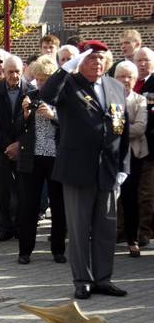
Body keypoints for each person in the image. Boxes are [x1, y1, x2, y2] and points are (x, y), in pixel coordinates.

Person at [40, 40, 130, 300]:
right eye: (92, 58)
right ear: (81, 61)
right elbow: (46, 96)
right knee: (79, 229)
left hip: (109, 170)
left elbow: (120, 128)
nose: (98, 62)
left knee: (106, 228)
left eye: (102, 58)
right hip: (77, 170)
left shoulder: (115, 86)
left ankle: (103, 279)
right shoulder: (69, 84)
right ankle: (82, 280)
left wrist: (123, 166)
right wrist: (66, 68)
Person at [17, 55, 67, 264]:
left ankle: (58, 250)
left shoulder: (63, 98)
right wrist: (25, 115)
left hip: (56, 158)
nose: (41, 83)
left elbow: (73, 126)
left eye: (45, 79)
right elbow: (15, 128)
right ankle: (25, 251)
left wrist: (53, 116)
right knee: (28, 205)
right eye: (38, 79)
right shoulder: (29, 95)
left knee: (58, 205)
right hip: (32, 158)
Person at [0, 55, 35, 241]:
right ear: (4, 71)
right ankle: (5, 228)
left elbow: (33, 124)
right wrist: (6, 145)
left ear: (23, 70)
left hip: (23, 147)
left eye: (17, 71)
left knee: (23, 190)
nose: (14, 75)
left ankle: (20, 227)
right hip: (0, 148)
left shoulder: (31, 92)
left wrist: (19, 144)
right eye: (10, 72)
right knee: (2, 190)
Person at [114, 61, 148, 257]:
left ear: (135, 80)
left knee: (130, 198)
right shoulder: (109, 99)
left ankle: (132, 240)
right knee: (110, 200)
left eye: (130, 77)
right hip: (112, 155)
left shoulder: (139, 100)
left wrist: (121, 131)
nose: (125, 80)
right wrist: (125, 128)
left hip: (133, 155)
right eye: (121, 76)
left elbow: (140, 127)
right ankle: (109, 237)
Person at [134, 47, 154, 246]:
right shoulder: (130, 82)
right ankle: (124, 230)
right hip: (128, 147)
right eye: (138, 60)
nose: (142, 64)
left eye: (146, 60)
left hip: (149, 147)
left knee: (146, 193)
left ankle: (145, 232)